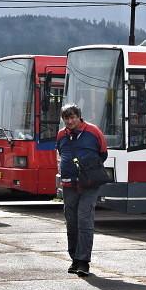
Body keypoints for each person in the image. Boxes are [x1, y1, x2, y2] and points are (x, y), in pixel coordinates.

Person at [55, 103, 108, 278]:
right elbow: (60, 152)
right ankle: (75, 259)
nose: (70, 121)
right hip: (69, 185)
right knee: (71, 221)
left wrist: (88, 170)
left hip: (89, 184)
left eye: (73, 117)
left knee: (84, 219)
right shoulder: (61, 135)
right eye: (66, 118)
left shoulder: (93, 131)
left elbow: (103, 153)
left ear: (79, 117)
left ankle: (84, 261)